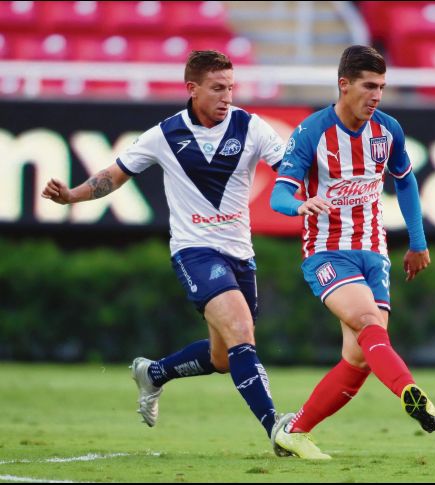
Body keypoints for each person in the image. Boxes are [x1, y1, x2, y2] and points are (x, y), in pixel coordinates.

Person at [41, 50, 289, 453]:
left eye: (231, 88)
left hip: (240, 254)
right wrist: (72, 196)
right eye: (217, 88)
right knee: (243, 334)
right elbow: (113, 175)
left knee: (225, 357)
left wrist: (311, 192)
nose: (227, 97)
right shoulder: (164, 135)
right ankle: (277, 427)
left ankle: (154, 373)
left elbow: (289, 168)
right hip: (195, 251)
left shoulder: (252, 127)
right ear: (192, 89)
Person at [268, 45, 435, 460]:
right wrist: (299, 205)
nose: (377, 95)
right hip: (327, 253)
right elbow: (278, 195)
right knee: (367, 322)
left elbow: (406, 182)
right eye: (369, 86)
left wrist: (417, 242)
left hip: (373, 252)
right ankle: (410, 392)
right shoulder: (311, 132)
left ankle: (294, 431)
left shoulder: (389, 130)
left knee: (359, 357)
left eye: (382, 86)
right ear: (344, 85)